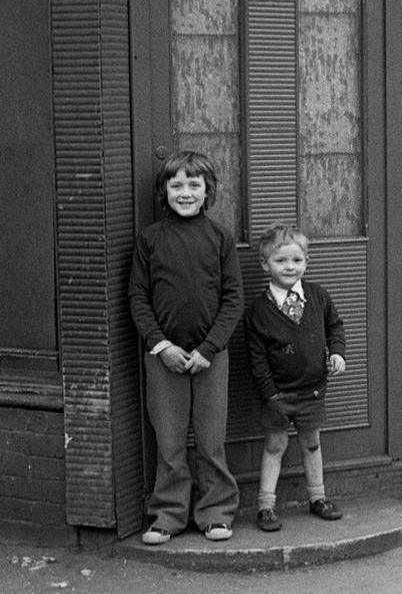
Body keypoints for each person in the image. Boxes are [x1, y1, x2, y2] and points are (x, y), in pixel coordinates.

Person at [128, 151, 244, 545]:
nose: (185, 192)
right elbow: (138, 298)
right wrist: (161, 346)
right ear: (163, 191)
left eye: (194, 185)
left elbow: (232, 299)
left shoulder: (220, 237)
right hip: (164, 358)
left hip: (212, 356)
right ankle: (167, 515)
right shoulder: (150, 239)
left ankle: (215, 512)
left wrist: (210, 348)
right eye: (176, 185)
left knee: (211, 440)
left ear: (208, 191)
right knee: (170, 441)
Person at [244, 224, 347, 532]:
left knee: (312, 444)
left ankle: (318, 498)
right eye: (280, 261)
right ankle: (265, 506)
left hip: (312, 392)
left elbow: (335, 326)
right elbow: (257, 358)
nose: (289, 267)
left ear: (306, 261)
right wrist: (270, 396)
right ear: (265, 264)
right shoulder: (258, 312)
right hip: (278, 396)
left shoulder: (318, 296)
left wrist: (337, 353)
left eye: (296, 260)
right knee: (275, 446)